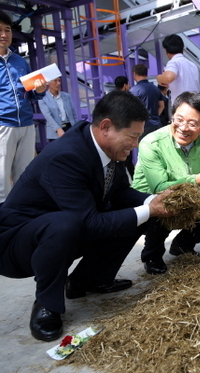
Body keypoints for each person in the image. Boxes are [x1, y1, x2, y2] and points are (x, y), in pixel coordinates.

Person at [0, 90, 175, 342]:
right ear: (106, 127)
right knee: (66, 223)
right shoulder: (67, 155)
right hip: (16, 243)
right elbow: (87, 224)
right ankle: (47, 304)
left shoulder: (108, 148)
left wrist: (153, 202)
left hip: (64, 229)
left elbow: (121, 193)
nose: (135, 144)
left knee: (135, 214)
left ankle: (87, 281)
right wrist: (150, 209)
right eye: (133, 136)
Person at [132, 92, 200, 275]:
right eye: (179, 119)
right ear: (172, 117)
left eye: (192, 124)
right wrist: (196, 179)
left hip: (189, 197)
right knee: (165, 204)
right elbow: (158, 187)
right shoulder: (151, 143)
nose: (183, 127)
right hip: (152, 199)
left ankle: (182, 245)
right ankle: (152, 255)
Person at [0, 10, 47, 203]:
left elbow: (32, 94)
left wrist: (41, 89)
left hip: (26, 124)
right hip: (3, 125)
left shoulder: (20, 61)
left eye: (7, 30)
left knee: (25, 175)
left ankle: (21, 214)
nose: (4, 34)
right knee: (1, 178)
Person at [157, 34, 199, 104]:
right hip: (195, 104)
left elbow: (169, 77)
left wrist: (159, 78)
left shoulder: (173, 62)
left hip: (182, 106)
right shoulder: (193, 65)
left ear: (166, 51)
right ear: (183, 49)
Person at [129, 63, 165, 137]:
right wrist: (155, 117)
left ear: (134, 74)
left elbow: (130, 110)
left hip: (143, 126)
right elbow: (162, 106)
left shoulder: (134, 90)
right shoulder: (156, 89)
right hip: (157, 124)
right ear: (146, 74)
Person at [38, 77, 78, 142]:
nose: (58, 83)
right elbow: (48, 116)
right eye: (55, 81)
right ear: (48, 83)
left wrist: (76, 127)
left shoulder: (67, 96)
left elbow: (74, 115)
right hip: (55, 131)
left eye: (59, 80)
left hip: (70, 128)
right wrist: (58, 129)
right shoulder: (43, 98)